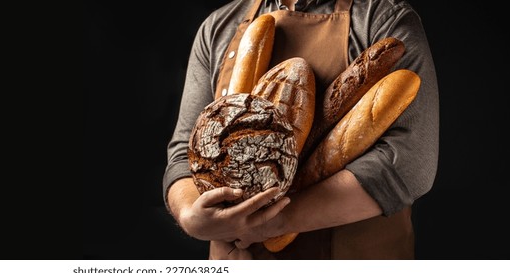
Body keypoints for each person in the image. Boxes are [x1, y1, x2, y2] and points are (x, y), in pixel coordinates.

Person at [163, 0, 439, 259]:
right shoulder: (219, 26)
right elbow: (183, 153)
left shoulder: (381, 20)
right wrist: (191, 217)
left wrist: (278, 221)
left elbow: (411, 162)